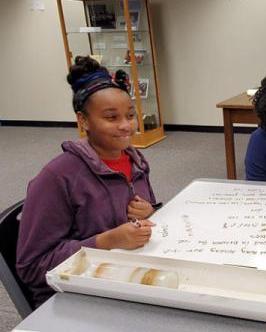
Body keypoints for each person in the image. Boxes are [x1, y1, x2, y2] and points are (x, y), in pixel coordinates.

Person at [16, 56, 159, 306]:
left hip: (124, 278)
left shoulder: (135, 161)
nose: (126, 126)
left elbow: (142, 221)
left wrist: (150, 211)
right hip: (74, 297)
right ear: (83, 121)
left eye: (130, 115)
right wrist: (105, 241)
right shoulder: (57, 178)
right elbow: (31, 267)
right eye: (111, 118)